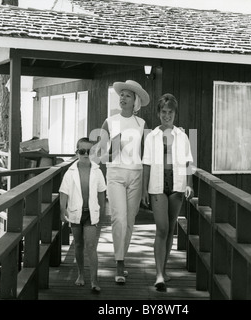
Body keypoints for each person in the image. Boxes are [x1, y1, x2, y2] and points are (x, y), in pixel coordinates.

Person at [98, 80, 150, 284]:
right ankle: (119, 264)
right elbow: (100, 155)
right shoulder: (109, 122)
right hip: (116, 175)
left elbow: (147, 157)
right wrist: (113, 150)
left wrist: (146, 186)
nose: (123, 98)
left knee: (129, 221)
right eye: (121, 95)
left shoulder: (143, 124)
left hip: (136, 176)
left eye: (128, 95)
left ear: (135, 100)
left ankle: (122, 258)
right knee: (119, 218)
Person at [142, 93, 194, 292]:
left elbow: (189, 162)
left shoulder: (183, 136)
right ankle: (158, 275)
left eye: (170, 112)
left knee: (171, 228)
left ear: (175, 114)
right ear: (158, 113)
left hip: (177, 184)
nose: (166, 115)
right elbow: (146, 164)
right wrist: (144, 190)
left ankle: (163, 271)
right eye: (163, 112)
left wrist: (189, 183)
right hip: (157, 184)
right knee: (162, 228)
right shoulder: (151, 136)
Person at [59, 137, 106, 293]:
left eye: (89, 151)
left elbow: (101, 193)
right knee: (78, 245)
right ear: (77, 152)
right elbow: (64, 192)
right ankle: (80, 274)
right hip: (75, 213)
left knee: (91, 246)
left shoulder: (97, 171)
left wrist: (102, 213)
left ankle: (94, 280)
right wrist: (62, 209)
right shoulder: (70, 172)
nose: (86, 154)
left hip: (91, 214)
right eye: (82, 151)